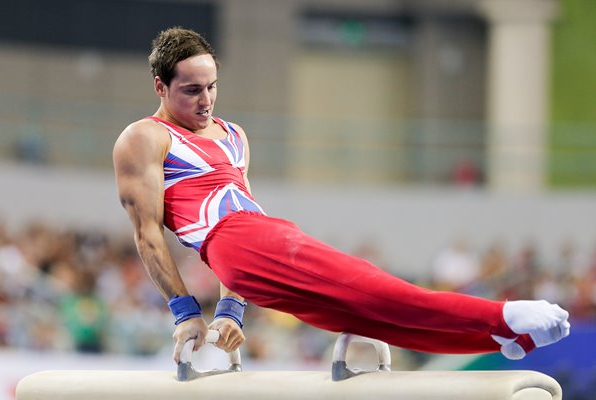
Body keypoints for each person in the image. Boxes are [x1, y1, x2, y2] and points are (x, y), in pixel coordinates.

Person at [113, 27, 570, 365]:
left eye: (211, 87)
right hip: (234, 241)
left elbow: (244, 208)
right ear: (160, 86)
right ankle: (504, 315)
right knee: (376, 288)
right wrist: (185, 312)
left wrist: (231, 309)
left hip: (259, 239)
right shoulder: (145, 137)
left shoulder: (234, 134)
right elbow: (148, 233)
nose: (206, 100)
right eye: (191, 90)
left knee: (370, 316)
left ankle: (499, 339)